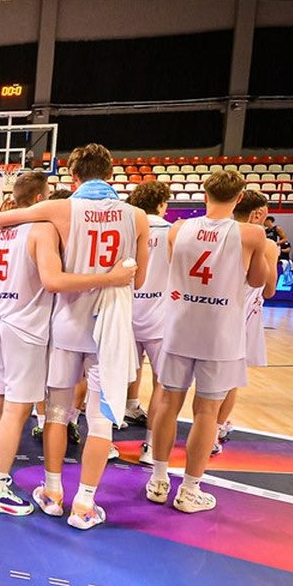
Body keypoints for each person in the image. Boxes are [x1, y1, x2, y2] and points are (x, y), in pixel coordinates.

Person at [0, 143, 149, 530]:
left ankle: (52, 492)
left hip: (66, 324)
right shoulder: (137, 216)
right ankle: (84, 504)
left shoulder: (61, 208)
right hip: (109, 329)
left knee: (58, 415)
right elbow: (140, 280)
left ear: (74, 177)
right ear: (110, 175)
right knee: (100, 422)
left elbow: (1, 219)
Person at [144, 170, 268, 514]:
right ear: (239, 198)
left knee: (167, 403)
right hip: (220, 333)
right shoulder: (252, 233)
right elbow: (258, 280)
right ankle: (189, 490)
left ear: (204, 194)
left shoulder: (178, 229)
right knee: (207, 413)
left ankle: (157, 481)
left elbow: (175, 267)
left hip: (180, 324)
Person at [213, 190, 279, 452]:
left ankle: (205, 424)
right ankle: (215, 429)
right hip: (242, 314)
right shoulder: (266, 243)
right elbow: (269, 290)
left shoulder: (218, 233)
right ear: (258, 213)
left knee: (208, 378)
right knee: (231, 379)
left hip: (212, 309)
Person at [126, 180, 172, 464]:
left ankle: (106, 443)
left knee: (111, 380)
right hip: (159, 317)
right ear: (162, 204)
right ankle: (151, 447)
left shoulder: (127, 229)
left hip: (126, 313)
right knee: (162, 385)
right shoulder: (172, 232)